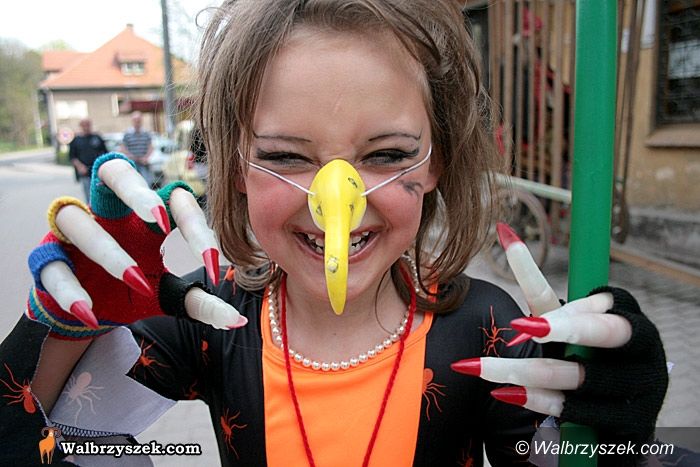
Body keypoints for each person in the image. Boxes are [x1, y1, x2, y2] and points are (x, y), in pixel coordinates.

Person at [1, 1, 673, 466]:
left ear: (435, 161)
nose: (336, 209)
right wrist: (58, 326)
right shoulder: (209, 322)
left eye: (386, 155)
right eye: (286, 156)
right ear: (235, 167)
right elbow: (46, 443)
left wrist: (622, 430)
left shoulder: (485, 329)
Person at [68, 118, 107, 203]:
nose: (86, 127)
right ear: (81, 126)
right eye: (84, 125)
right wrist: (80, 167)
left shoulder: (97, 137)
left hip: (98, 171)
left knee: (101, 195)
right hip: (85, 172)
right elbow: (72, 157)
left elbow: (105, 153)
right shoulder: (76, 140)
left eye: (88, 125)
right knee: (89, 196)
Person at [120, 111, 154, 186]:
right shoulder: (127, 134)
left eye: (139, 120)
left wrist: (146, 157)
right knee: (133, 184)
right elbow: (122, 148)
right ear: (132, 121)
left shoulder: (146, 133)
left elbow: (150, 147)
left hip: (144, 164)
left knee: (146, 183)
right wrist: (131, 156)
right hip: (132, 164)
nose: (137, 122)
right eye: (135, 120)